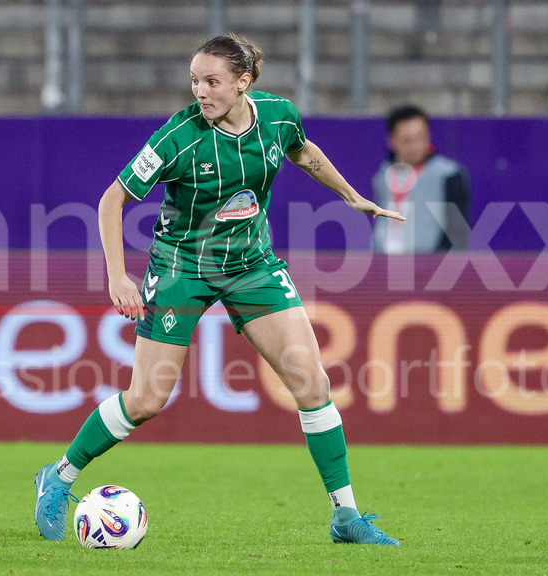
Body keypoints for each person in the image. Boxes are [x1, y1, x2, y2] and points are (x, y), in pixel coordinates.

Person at [33, 33, 405, 546]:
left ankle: (346, 518)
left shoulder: (277, 115)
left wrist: (351, 196)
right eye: (194, 81)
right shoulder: (178, 136)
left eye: (211, 81)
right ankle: (59, 476)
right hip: (183, 266)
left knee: (312, 383)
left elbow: (302, 150)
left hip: (251, 264)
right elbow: (111, 200)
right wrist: (119, 276)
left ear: (242, 82)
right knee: (145, 400)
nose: (200, 92)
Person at [372, 104, 471, 254]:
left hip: (428, 266)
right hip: (386, 262)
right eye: (407, 140)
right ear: (392, 140)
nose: (415, 146)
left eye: (420, 138)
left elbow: (457, 233)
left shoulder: (449, 174)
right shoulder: (383, 174)